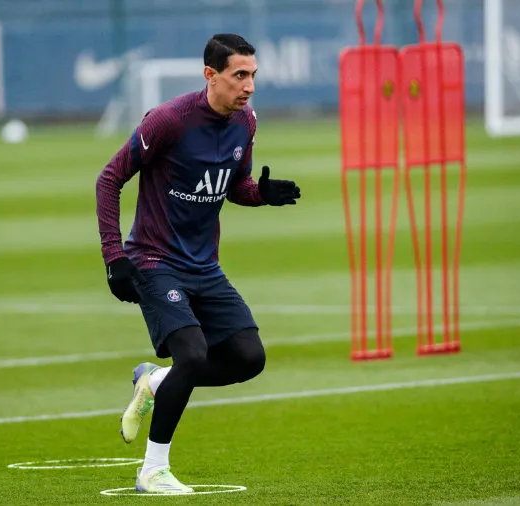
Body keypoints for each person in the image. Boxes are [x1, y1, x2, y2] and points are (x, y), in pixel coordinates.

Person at [95, 33, 300, 493]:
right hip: (153, 259)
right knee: (193, 353)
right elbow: (109, 179)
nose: (248, 86)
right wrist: (115, 257)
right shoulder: (168, 120)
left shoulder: (245, 123)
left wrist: (261, 196)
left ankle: (154, 381)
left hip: (205, 266)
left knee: (249, 358)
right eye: (239, 75)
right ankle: (152, 470)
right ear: (211, 76)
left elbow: (236, 185)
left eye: (253, 76)